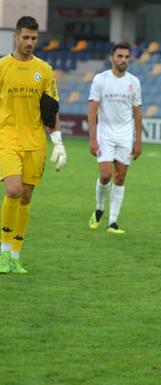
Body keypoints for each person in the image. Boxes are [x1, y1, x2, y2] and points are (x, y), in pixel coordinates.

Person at [0, 16, 67, 274]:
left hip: (35, 141)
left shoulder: (45, 70)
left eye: (34, 38)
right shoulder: (3, 66)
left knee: (26, 198)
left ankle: (16, 254)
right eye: (25, 37)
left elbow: (51, 109)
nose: (30, 42)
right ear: (15, 37)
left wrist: (58, 142)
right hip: (7, 138)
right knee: (14, 190)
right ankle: (4, 252)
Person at [87, 43, 142, 234]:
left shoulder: (134, 82)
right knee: (105, 175)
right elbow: (92, 110)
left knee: (120, 177)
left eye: (127, 57)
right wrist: (93, 139)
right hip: (105, 134)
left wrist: (138, 141)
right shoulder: (100, 80)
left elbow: (137, 112)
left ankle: (112, 222)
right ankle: (100, 207)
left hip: (125, 136)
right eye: (120, 56)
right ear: (112, 58)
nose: (123, 60)